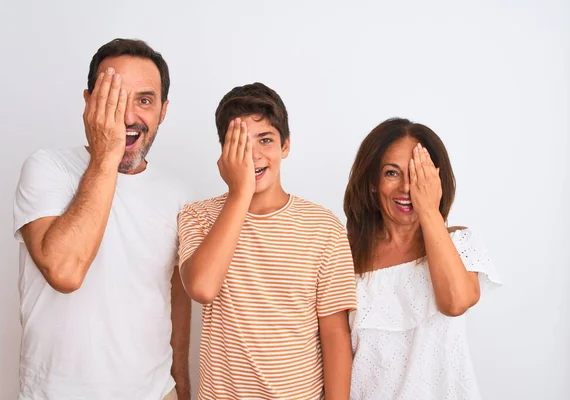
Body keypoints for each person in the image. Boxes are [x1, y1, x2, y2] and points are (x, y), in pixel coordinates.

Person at [13, 38, 191, 400]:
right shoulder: (47, 169)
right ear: (89, 102)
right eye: (113, 96)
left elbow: (176, 297)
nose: (127, 116)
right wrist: (105, 156)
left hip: (155, 392)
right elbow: (64, 271)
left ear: (163, 110)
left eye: (144, 100)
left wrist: (181, 383)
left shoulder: (178, 194)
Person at [177, 82, 357, 399]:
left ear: (285, 146)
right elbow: (202, 287)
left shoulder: (323, 226)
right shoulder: (198, 216)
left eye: (265, 140)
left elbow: (335, 335)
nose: (254, 154)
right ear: (224, 152)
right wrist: (240, 193)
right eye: (240, 144)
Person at [344, 117, 502, 399]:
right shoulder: (345, 257)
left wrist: (429, 210)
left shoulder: (460, 242)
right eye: (392, 173)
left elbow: (456, 302)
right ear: (372, 182)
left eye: (418, 174)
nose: (407, 188)